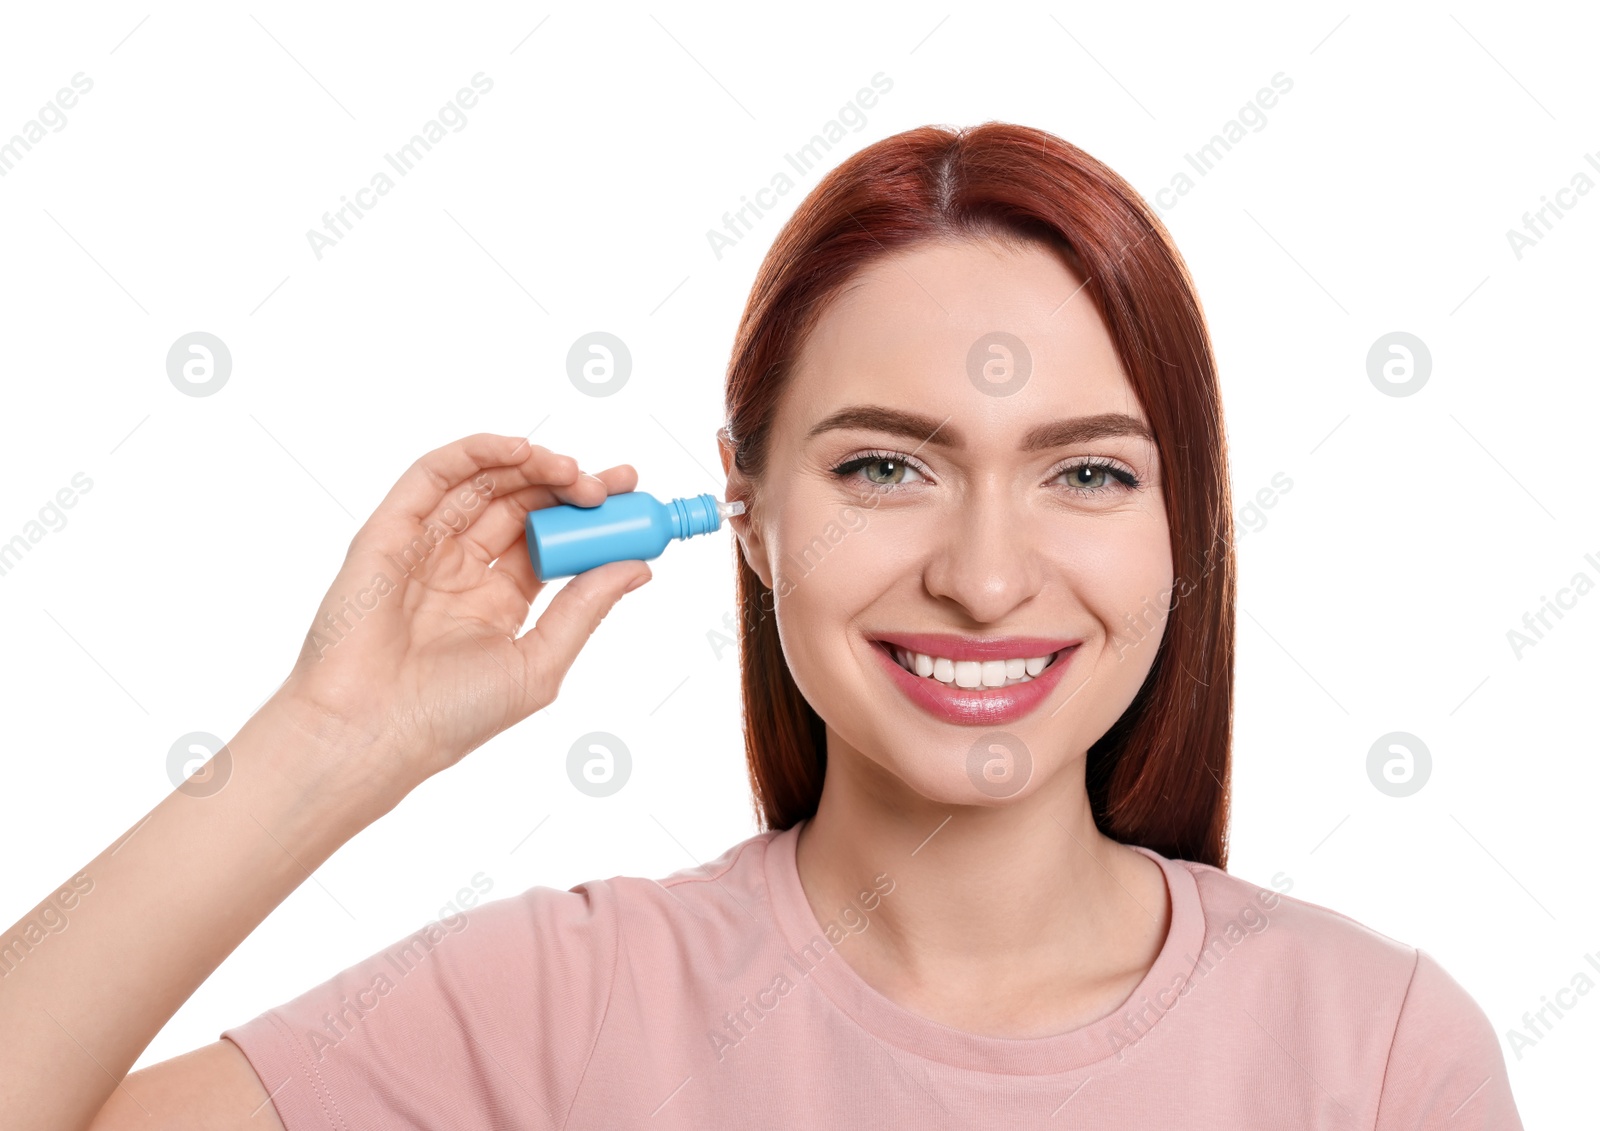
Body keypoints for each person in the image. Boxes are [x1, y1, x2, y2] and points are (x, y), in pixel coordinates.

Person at [1, 123, 1522, 1129]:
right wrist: (325, 745)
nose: (987, 580)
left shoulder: (1381, 1052)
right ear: (747, 509)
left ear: (1180, 523)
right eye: (885, 466)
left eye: (1086, 472)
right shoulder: (556, 1010)